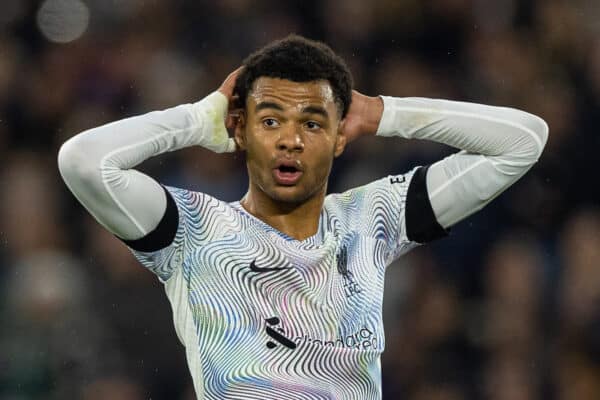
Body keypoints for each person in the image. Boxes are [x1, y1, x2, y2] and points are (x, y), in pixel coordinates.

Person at [58, 35, 548, 400]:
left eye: (312, 123)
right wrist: (198, 118)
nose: (291, 139)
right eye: (270, 120)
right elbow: (83, 161)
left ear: (339, 136)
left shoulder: (371, 219)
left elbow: (524, 142)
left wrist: (383, 112)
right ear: (241, 130)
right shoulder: (194, 230)